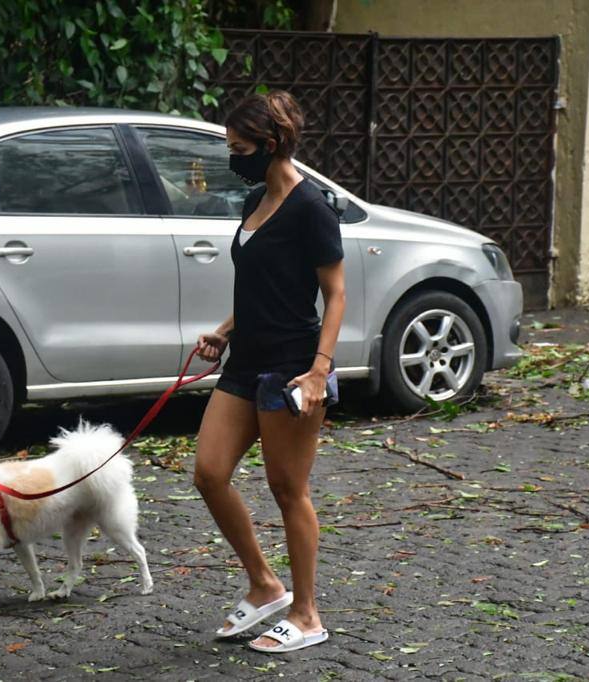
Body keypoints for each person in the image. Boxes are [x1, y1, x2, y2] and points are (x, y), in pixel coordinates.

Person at [193, 90, 346, 653]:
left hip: (292, 367)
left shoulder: (312, 208)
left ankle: (307, 615)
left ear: (272, 144)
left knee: (288, 489)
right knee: (209, 473)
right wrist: (225, 330)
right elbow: (260, 284)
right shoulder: (254, 200)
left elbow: (335, 295)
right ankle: (264, 585)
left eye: (240, 148)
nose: (233, 158)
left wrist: (317, 371)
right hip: (245, 360)